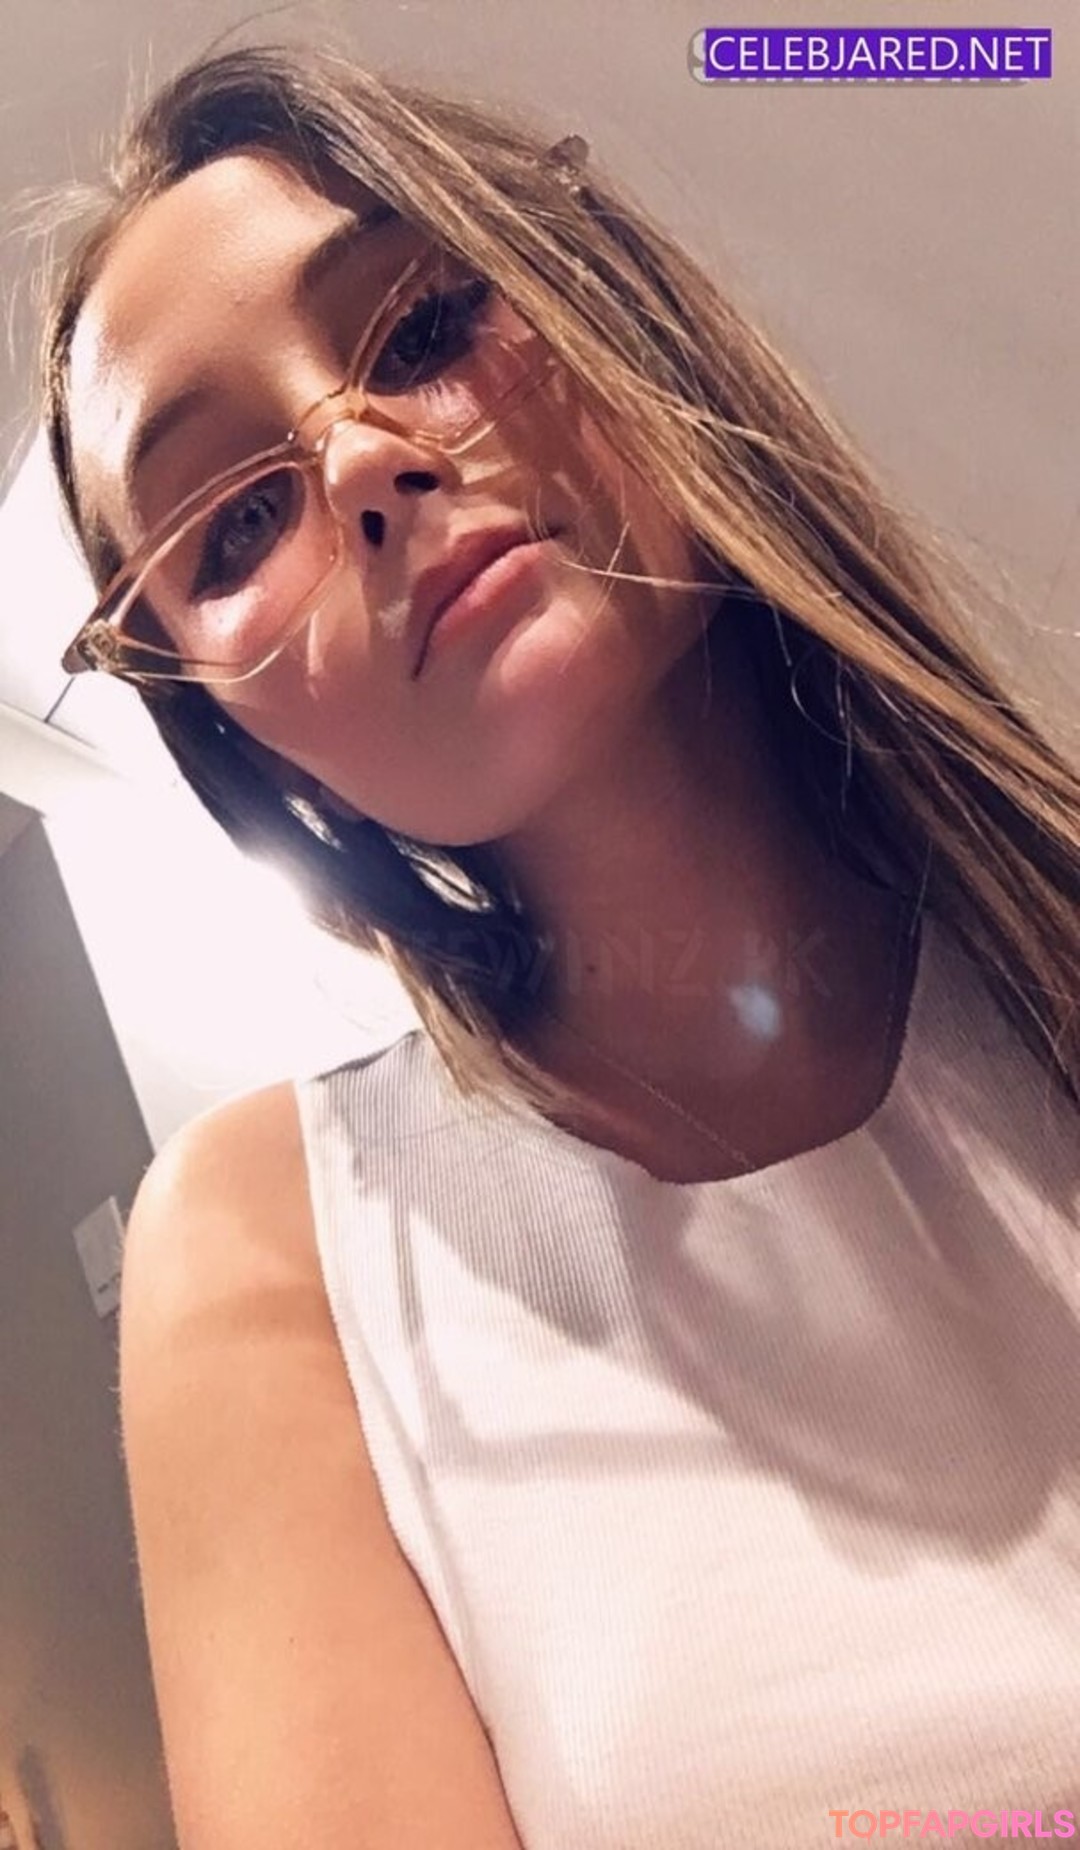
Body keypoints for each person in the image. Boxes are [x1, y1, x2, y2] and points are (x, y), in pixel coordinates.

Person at [37, 40, 1080, 1850]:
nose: (362, 458)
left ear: (610, 316)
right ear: (241, 735)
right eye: (238, 522)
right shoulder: (278, 1250)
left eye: (428, 324)